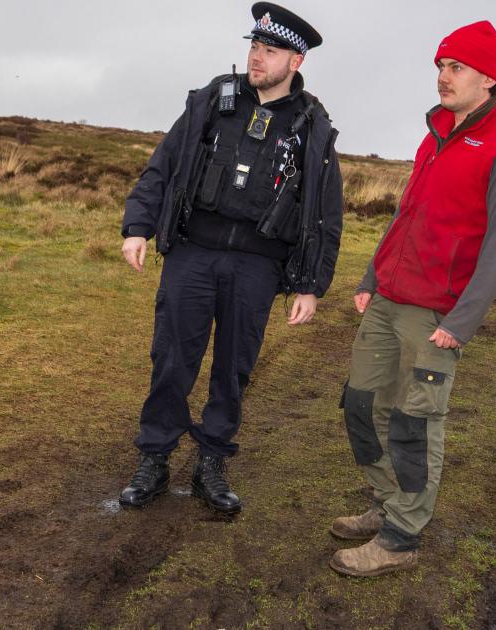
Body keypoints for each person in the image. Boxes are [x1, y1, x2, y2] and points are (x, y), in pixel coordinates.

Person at [118, 3, 344, 514]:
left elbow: (325, 212)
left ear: (297, 62)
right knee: (172, 357)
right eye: (255, 46)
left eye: (271, 50)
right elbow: (164, 164)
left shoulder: (314, 128)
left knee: (234, 368)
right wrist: (138, 226)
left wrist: (310, 284)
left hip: (257, 267)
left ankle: (212, 462)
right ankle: (154, 456)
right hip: (194, 255)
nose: (257, 57)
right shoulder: (211, 100)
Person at [327, 20, 496, 576]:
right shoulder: (434, 133)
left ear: (488, 78)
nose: (443, 77)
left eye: (456, 67)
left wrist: (461, 322)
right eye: (441, 66)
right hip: (391, 297)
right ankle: (386, 501)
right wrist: (371, 277)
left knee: (416, 424)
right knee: (362, 406)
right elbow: (406, 215)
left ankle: (400, 538)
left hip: (438, 313)